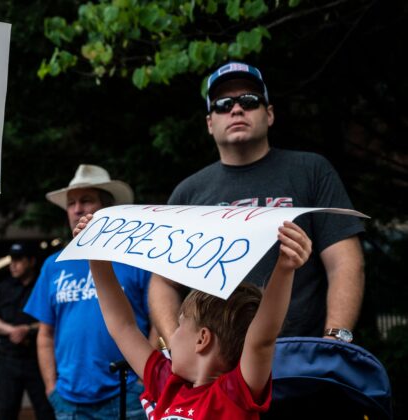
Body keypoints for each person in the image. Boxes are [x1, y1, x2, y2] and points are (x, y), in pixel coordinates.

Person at [149, 61, 365, 341]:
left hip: (296, 357)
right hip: (216, 368)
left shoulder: (310, 170)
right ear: (209, 123)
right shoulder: (188, 194)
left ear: (270, 114)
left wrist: (335, 340)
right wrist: (177, 348)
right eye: (223, 104)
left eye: (249, 101)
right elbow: (162, 283)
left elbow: (345, 262)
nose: (236, 109)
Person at [74, 214, 312, 419]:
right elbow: (122, 326)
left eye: (179, 326)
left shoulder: (234, 393)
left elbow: (261, 338)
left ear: (202, 339)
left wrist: (285, 268)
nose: (171, 335)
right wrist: (96, 257)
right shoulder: (167, 382)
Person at [24, 164, 151, 419]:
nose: (77, 209)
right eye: (71, 203)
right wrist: (51, 388)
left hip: (128, 394)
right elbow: (45, 334)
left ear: (107, 208)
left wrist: (145, 380)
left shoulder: (138, 260)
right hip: (69, 400)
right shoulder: (53, 265)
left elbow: (160, 323)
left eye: (86, 200)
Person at [0, 242, 54, 420]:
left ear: (31, 261)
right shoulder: (3, 287)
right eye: (11, 260)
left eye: (19, 260)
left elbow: (55, 317)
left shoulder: (44, 285)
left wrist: (27, 329)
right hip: (9, 359)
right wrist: (12, 331)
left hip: (38, 359)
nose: (13, 265)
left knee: (46, 410)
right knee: (5, 411)